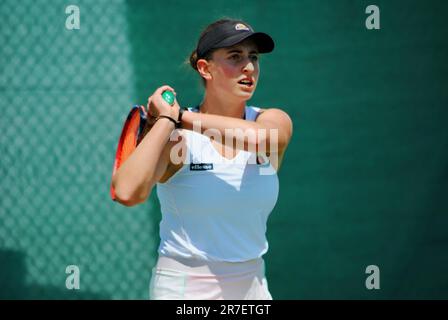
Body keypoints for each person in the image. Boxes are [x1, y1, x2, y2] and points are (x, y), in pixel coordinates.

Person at [112, 18, 293, 300]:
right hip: (185, 288)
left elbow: (262, 139)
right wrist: (166, 122)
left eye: (253, 58)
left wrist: (180, 116)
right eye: (235, 57)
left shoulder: (272, 121)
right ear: (205, 68)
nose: (249, 67)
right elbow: (126, 192)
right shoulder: (179, 139)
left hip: (252, 287)